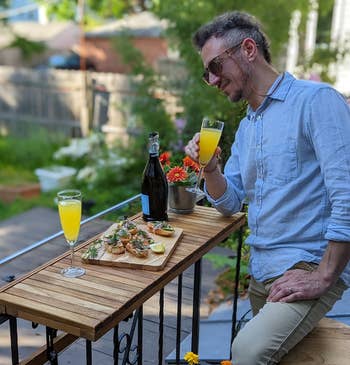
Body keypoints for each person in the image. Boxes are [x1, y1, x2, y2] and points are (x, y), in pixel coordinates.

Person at [185, 11, 350, 365]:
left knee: (246, 352)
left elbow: (347, 194)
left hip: (306, 268)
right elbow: (229, 201)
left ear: (248, 49)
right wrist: (210, 166)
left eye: (216, 66)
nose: (212, 80)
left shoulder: (316, 101)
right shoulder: (247, 129)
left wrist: (324, 275)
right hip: (263, 276)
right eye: (206, 72)